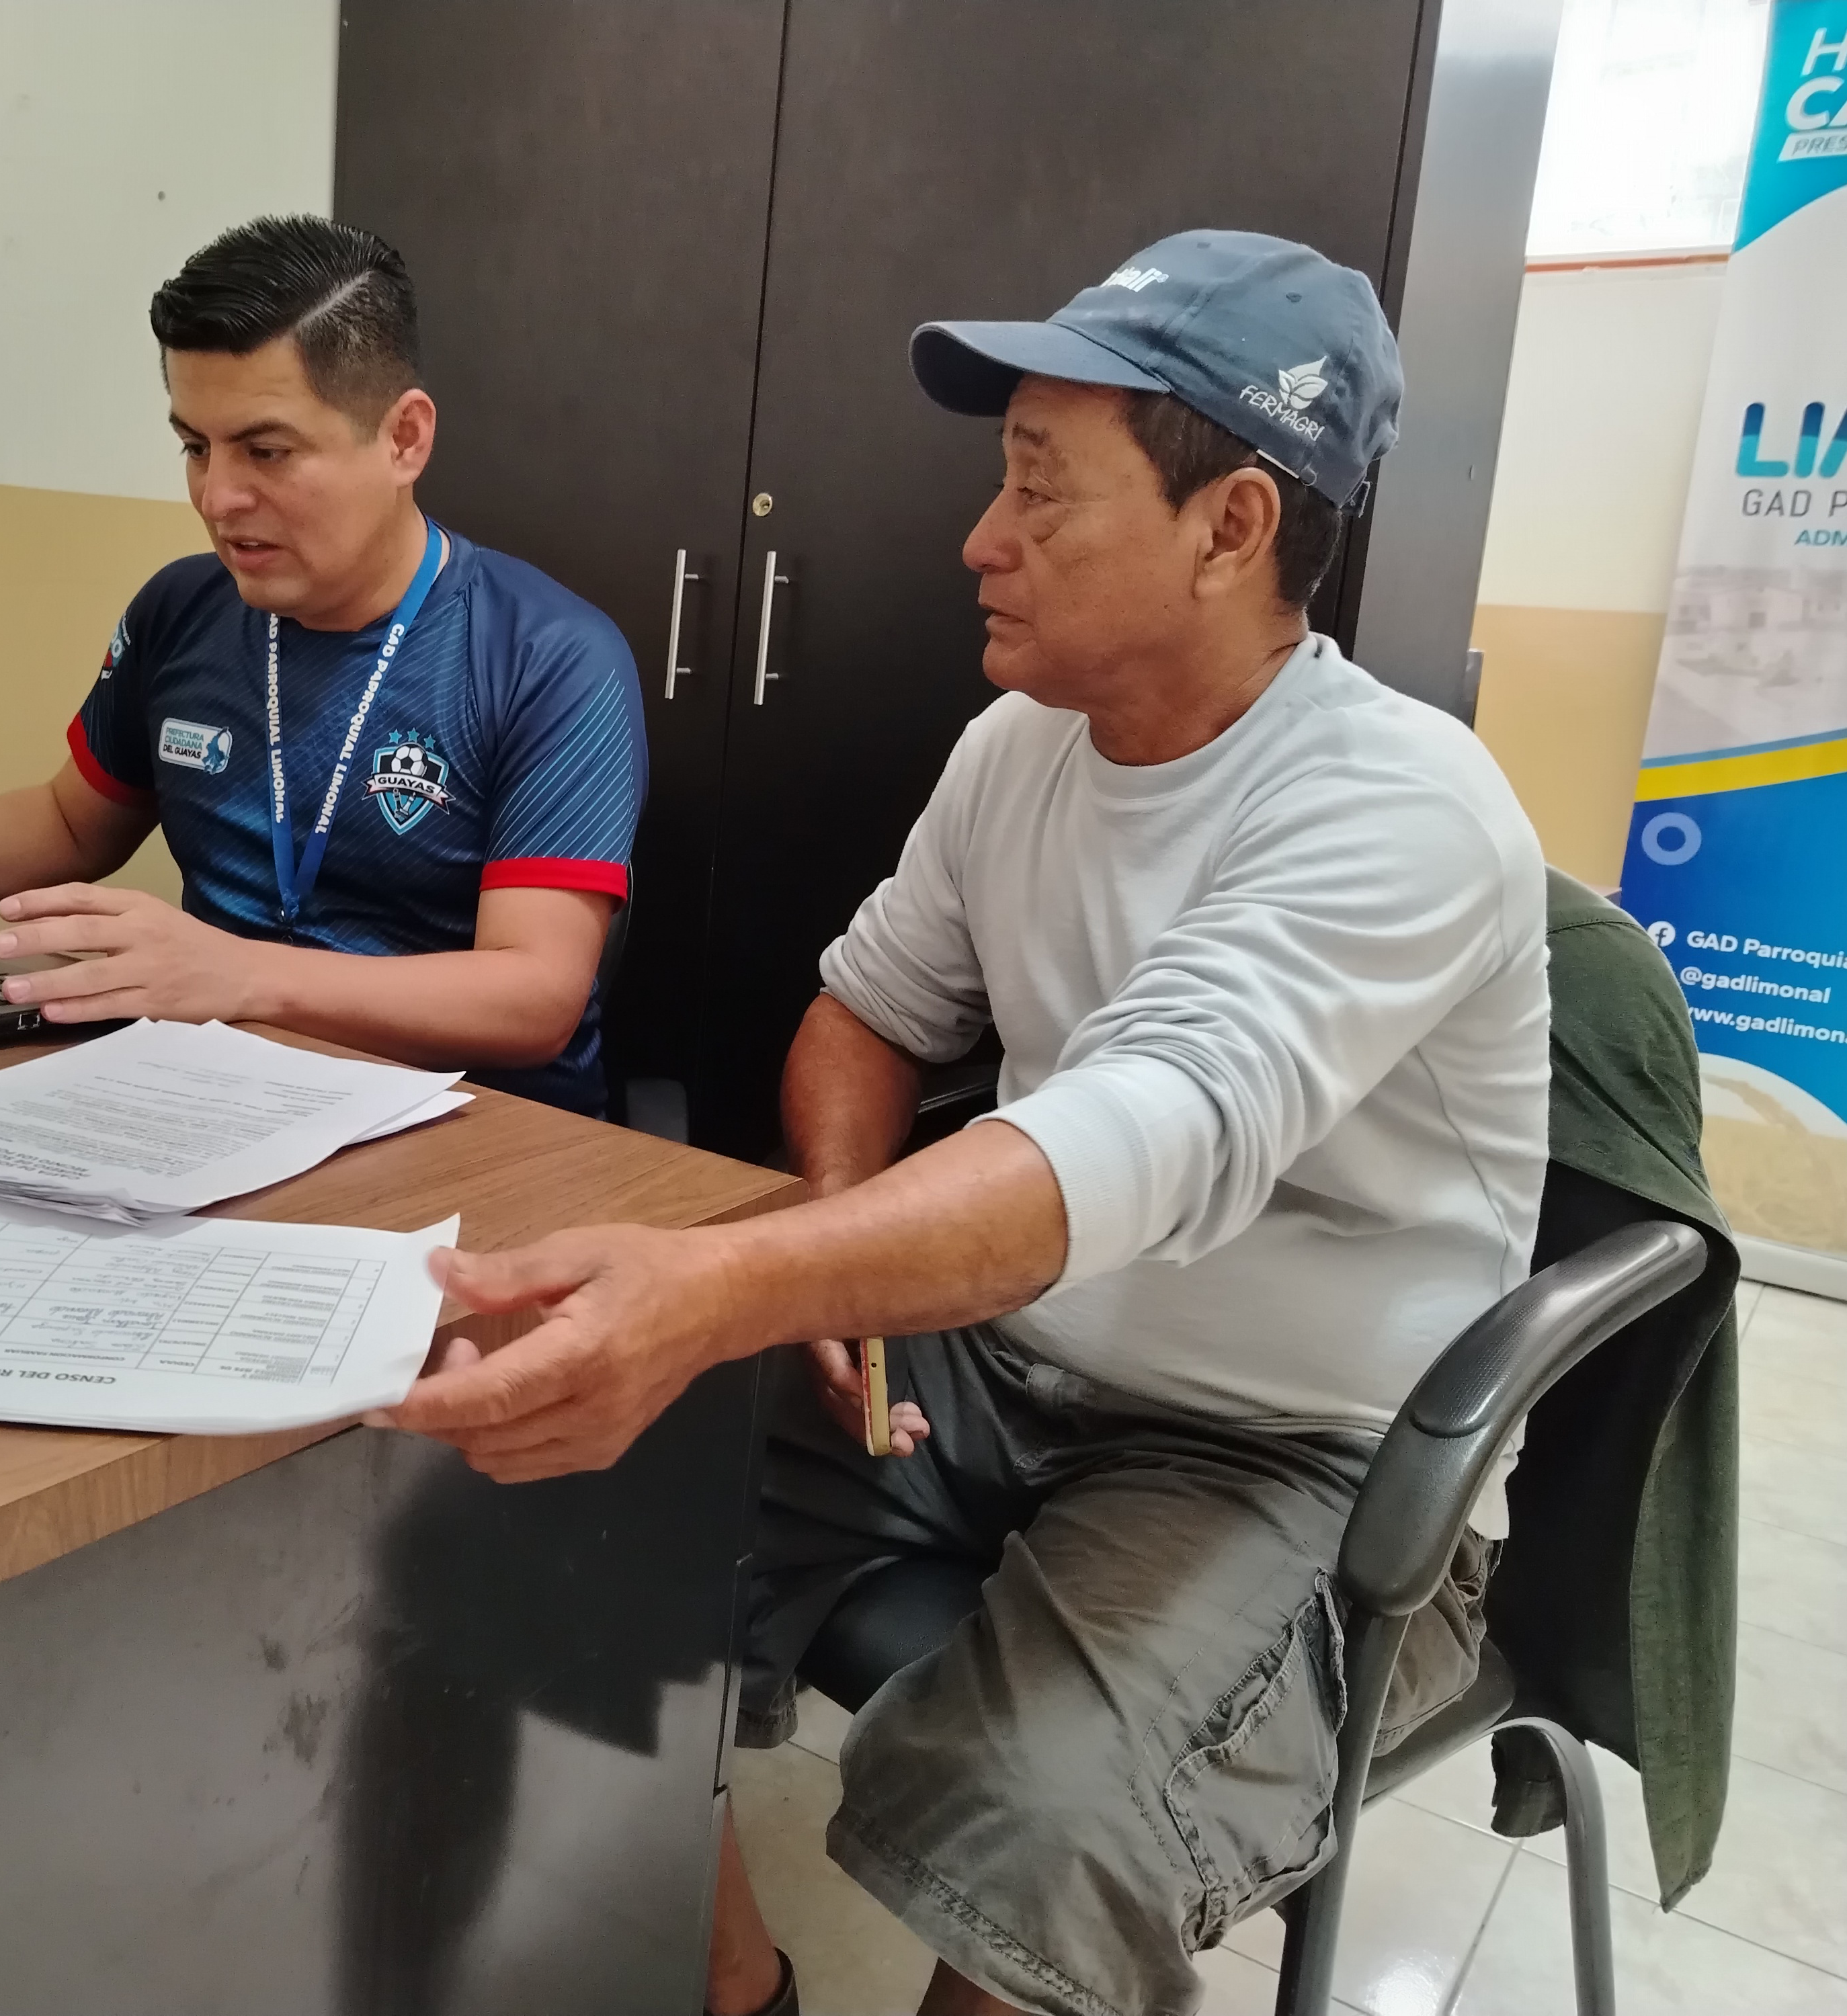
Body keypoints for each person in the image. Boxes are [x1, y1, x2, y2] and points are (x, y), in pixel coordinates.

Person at [375, 231, 1551, 2016]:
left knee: (1040, 1821)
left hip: (1288, 1451)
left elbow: (1140, 1134)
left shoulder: (1399, 805)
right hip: (999, 1366)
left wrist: (733, 1283)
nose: (978, 540)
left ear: (1231, 527)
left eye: (1037, 491)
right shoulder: (1022, 746)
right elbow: (865, 1012)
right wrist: (837, 1253)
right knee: (517, 1491)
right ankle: (739, 1991)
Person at [0, 216, 645, 1115]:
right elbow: (72, 822)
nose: (218, 498)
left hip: (480, 1128)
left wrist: (242, 976)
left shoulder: (549, 656)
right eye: (196, 447)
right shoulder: (183, 609)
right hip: (217, 1103)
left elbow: (535, 997)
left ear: (403, 439)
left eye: (266, 452)